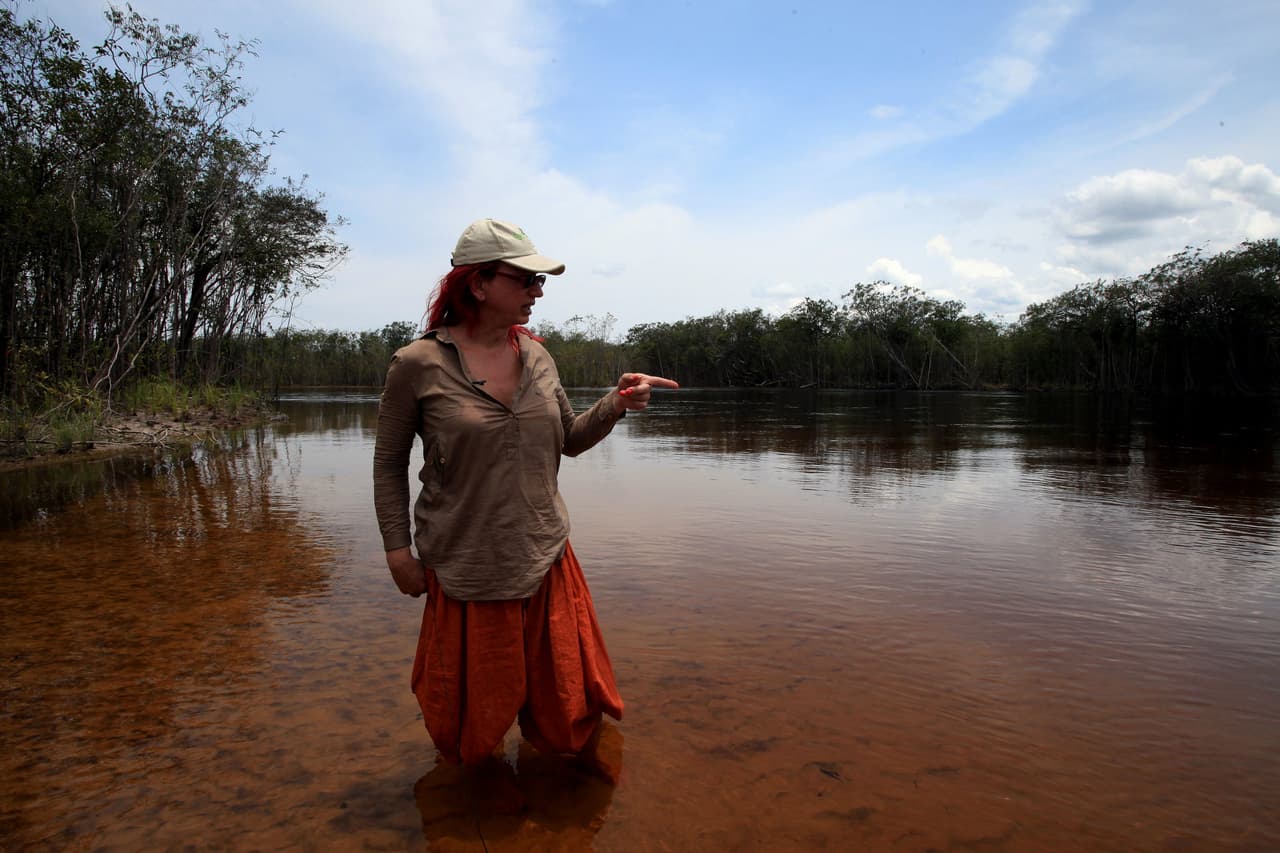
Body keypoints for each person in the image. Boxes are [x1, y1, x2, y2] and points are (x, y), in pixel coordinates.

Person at [373, 218, 678, 771]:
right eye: (526, 279)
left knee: (566, 711)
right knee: (469, 727)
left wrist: (616, 402)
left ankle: (559, 808)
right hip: (467, 564)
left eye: (542, 282)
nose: (539, 291)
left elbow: (571, 439)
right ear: (478, 284)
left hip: (545, 556)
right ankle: (479, 801)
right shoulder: (417, 364)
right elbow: (389, 461)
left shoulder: (538, 357)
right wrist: (398, 550)